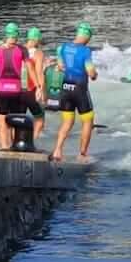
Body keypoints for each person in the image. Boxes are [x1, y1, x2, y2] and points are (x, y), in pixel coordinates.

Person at [51, 23, 99, 162]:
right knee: (87, 121)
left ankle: (57, 150)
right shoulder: (85, 51)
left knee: (67, 122)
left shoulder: (64, 47)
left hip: (66, 87)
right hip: (79, 88)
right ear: (86, 36)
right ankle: (82, 154)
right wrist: (95, 75)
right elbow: (90, 71)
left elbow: (60, 66)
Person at [0, 23, 32, 150]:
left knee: (2, 120)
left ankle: (4, 146)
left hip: (2, 89)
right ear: (17, 34)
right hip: (16, 90)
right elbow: (30, 68)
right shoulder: (22, 49)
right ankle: (15, 145)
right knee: (16, 120)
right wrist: (39, 86)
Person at [24, 27, 47, 138]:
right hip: (31, 90)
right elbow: (39, 72)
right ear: (37, 39)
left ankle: (12, 141)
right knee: (39, 119)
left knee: (18, 117)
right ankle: (34, 140)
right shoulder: (38, 53)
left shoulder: (19, 49)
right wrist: (41, 89)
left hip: (18, 90)